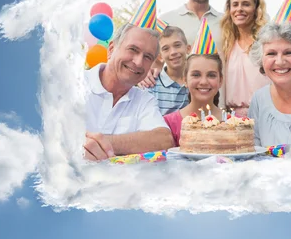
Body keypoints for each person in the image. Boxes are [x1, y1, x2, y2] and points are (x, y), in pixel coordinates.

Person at [84, 22, 175, 161]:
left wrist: (101, 143)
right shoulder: (74, 84)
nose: (138, 62)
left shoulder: (144, 99)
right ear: (111, 49)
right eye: (133, 49)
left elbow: (164, 140)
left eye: (147, 57)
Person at [140, 0, 224, 88]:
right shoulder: (166, 20)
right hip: (176, 105)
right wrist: (146, 75)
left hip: (218, 104)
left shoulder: (226, 22)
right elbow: (155, 64)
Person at [247, 22, 291, 154]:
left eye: (289, 53)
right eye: (271, 54)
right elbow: (253, 152)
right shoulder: (259, 99)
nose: (280, 62)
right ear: (261, 60)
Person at [219, 0, 270, 117]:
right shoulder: (226, 44)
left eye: (246, 4)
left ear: (256, 9)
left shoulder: (266, 43)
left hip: (264, 116)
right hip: (231, 120)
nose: (239, 9)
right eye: (235, 5)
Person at [163, 53, 224, 147]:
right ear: (185, 80)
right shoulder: (168, 124)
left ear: (220, 81)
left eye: (211, 75)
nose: (203, 82)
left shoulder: (236, 122)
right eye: (196, 75)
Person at [147, 26, 191, 115]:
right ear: (160, 56)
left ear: (188, 49)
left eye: (177, 45)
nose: (173, 52)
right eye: (166, 49)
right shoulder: (152, 86)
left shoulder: (196, 82)